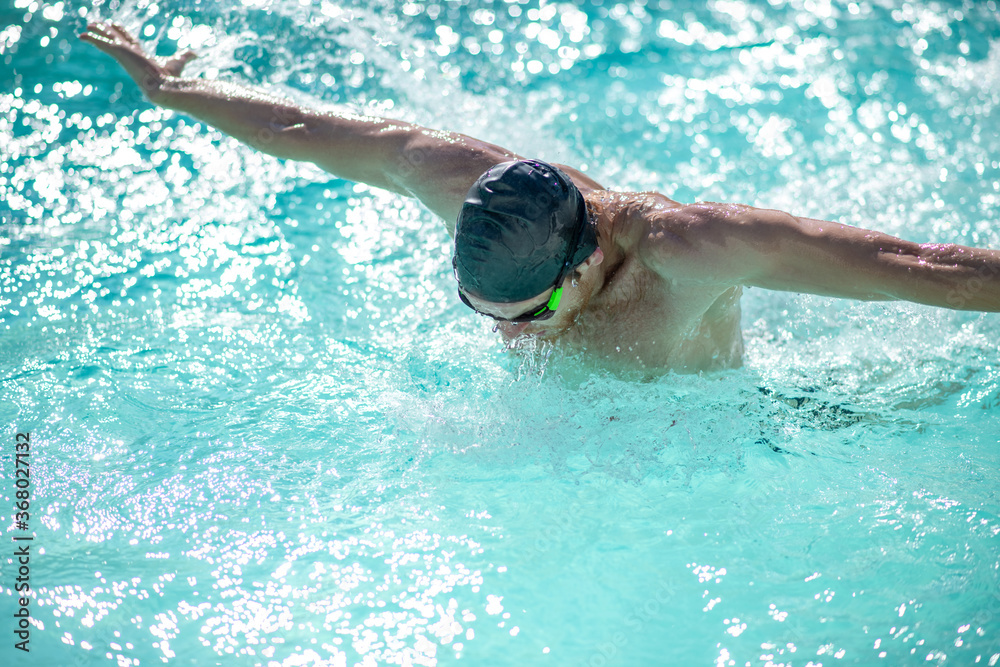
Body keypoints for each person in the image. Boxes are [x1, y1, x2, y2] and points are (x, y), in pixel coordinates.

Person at [80, 22, 999, 373]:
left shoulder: (692, 250)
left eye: (535, 313)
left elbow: (911, 267)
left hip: (734, 433)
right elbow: (304, 130)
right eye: (487, 313)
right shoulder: (469, 186)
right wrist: (173, 92)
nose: (514, 339)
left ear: (589, 257)